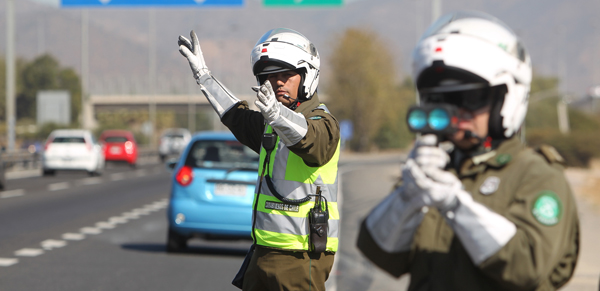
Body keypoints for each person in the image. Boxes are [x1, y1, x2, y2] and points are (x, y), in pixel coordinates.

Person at [357, 11, 579, 290]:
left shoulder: (536, 175)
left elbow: (529, 266)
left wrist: (456, 205)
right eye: (443, 99)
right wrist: (407, 197)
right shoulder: (434, 171)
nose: (455, 113)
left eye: (470, 98)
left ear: (505, 99)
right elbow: (380, 253)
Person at [178, 28, 340, 291]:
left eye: (286, 75)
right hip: (262, 253)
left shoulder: (324, 122)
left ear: (307, 75)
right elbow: (236, 114)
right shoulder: (270, 124)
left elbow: (311, 142)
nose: (277, 82)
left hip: (300, 258)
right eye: (270, 76)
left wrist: (277, 116)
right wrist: (204, 77)